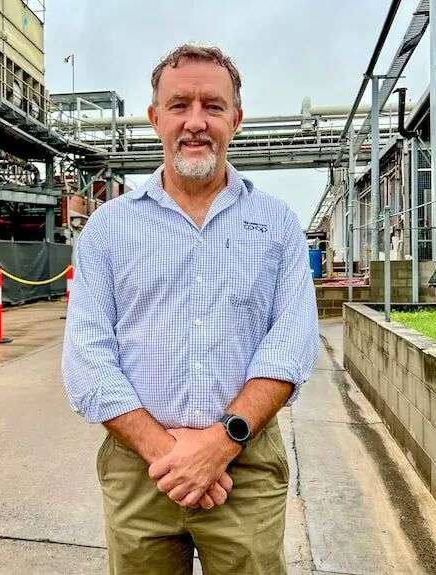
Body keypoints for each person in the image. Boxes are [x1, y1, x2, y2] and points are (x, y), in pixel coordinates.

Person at [62, 44, 319, 574]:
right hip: (140, 470)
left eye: (213, 106)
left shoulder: (276, 225)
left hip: (244, 469)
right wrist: (170, 455)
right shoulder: (109, 230)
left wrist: (221, 444)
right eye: (179, 106)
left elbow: (291, 345)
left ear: (237, 119)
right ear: (156, 118)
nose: (196, 122)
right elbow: (88, 358)